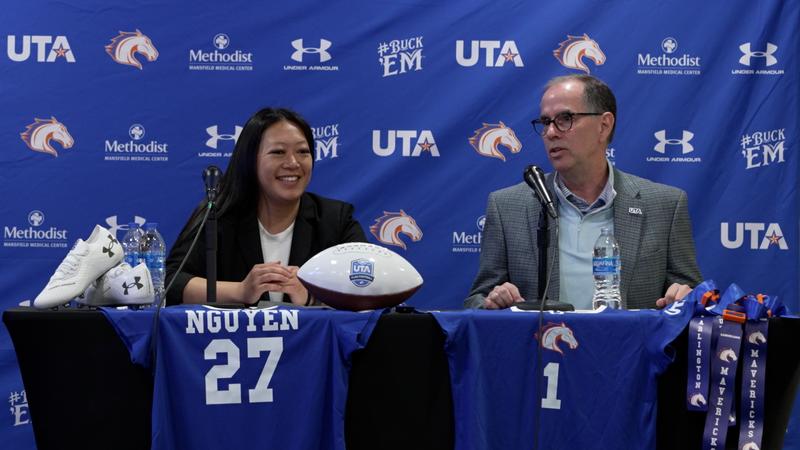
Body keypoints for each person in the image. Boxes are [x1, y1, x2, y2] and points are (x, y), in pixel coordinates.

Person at [465, 74, 702, 310]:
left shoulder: (664, 205)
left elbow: (693, 300)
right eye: (546, 122)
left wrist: (684, 297)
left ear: (604, 125)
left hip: (629, 346)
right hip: (542, 346)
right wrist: (492, 302)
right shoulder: (507, 207)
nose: (551, 133)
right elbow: (476, 301)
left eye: (565, 119)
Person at [165, 107, 366, 306]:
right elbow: (170, 282)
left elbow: (366, 284)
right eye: (278, 152)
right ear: (251, 160)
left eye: (303, 152)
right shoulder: (217, 216)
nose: (293, 162)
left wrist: (310, 297)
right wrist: (241, 291)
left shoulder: (336, 219)